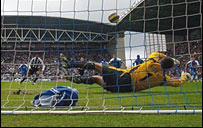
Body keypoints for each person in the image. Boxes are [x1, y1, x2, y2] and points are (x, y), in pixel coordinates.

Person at [60, 52, 190, 92]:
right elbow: (177, 82)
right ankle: (77, 79)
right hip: (126, 89)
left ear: (161, 61)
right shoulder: (163, 78)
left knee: (96, 66)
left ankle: (69, 64)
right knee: (97, 79)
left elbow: (156, 53)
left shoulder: (152, 62)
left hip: (124, 77)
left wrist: (172, 59)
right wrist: (185, 77)